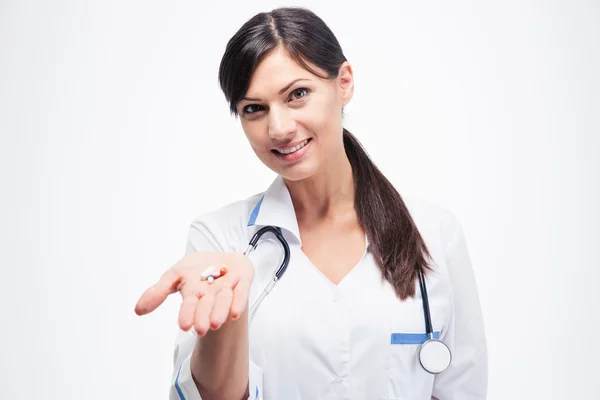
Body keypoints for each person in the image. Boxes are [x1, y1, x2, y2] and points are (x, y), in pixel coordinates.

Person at [134, 6, 487, 400]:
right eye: (254, 109)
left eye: (298, 94)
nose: (279, 128)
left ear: (344, 82)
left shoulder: (435, 232)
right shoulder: (220, 241)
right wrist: (228, 319)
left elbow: (462, 390)